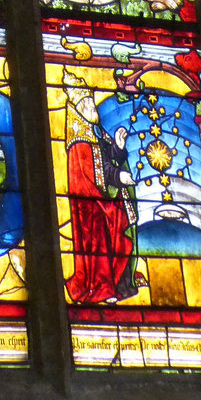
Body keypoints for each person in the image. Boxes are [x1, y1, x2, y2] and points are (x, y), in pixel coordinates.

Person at [62, 72, 140, 304]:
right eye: (86, 104)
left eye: (91, 102)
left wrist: (117, 145)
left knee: (119, 221)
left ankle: (121, 285)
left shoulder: (95, 133)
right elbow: (95, 176)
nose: (92, 107)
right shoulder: (80, 144)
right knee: (112, 226)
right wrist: (119, 177)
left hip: (101, 199)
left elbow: (107, 160)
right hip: (92, 207)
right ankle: (102, 288)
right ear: (77, 110)